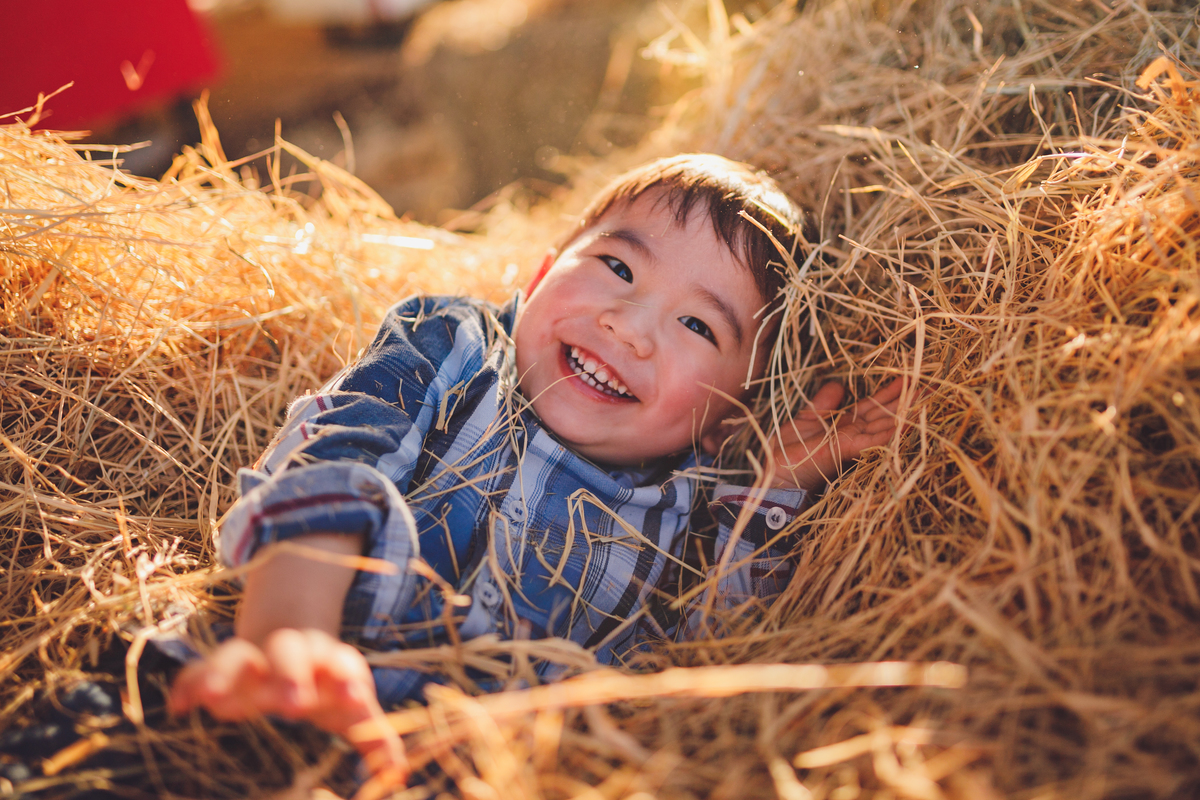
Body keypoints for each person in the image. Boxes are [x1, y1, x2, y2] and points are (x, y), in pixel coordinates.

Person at [166, 154, 906, 781]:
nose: (628, 325)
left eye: (696, 324)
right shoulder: (452, 351)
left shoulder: (691, 519)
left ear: (728, 416)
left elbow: (712, 666)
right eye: (617, 267)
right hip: (285, 703)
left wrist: (776, 489)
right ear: (546, 269)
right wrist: (288, 633)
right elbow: (339, 461)